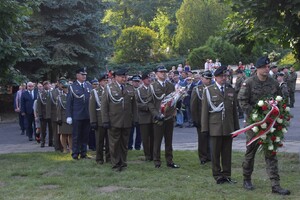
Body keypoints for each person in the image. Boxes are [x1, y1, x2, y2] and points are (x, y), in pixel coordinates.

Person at [238, 56, 290, 195]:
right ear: (259, 68)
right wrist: (255, 115)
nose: (268, 69)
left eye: (269, 67)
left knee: (271, 153)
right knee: (250, 153)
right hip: (254, 125)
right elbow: (242, 101)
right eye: (265, 67)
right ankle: (247, 179)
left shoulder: (273, 82)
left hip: (270, 124)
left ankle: (275, 184)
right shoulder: (248, 83)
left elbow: (279, 100)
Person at [201, 65, 240, 184]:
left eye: (225, 76)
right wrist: (205, 128)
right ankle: (217, 175)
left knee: (227, 153)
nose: (224, 78)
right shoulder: (209, 90)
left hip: (228, 127)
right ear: (215, 77)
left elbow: (234, 111)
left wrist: (236, 128)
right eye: (221, 76)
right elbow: (204, 111)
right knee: (215, 153)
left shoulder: (230, 90)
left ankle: (227, 175)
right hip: (215, 127)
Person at [101, 69, 137, 171]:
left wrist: (135, 118)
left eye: (125, 77)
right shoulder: (109, 88)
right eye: (121, 77)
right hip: (114, 120)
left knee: (124, 143)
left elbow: (134, 105)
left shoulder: (129, 88)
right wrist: (105, 120)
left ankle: (123, 163)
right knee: (114, 144)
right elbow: (104, 105)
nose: (124, 79)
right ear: (115, 77)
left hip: (126, 121)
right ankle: (115, 164)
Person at [148, 65, 180, 168]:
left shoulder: (170, 85)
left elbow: (173, 100)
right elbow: (150, 103)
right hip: (158, 117)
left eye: (165, 72)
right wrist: (156, 114)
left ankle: (169, 161)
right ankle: (157, 161)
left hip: (169, 116)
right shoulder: (152, 86)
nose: (163, 73)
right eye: (161, 72)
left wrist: (175, 109)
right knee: (157, 141)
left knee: (169, 140)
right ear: (156, 73)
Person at [66, 67, 92, 160]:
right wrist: (69, 115)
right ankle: (75, 154)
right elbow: (69, 102)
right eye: (82, 74)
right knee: (76, 136)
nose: (84, 76)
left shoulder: (88, 86)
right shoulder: (72, 86)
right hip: (77, 115)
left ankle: (83, 153)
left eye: (85, 74)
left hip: (87, 115)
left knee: (85, 135)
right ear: (77, 75)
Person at [191, 71, 213, 165]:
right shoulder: (197, 89)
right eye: (206, 78)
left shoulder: (213, 89)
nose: (208, 80)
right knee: (202, 138)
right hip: (200, 118)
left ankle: (210, 155)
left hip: (211, 118)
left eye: (209, 79)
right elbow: (193, 106)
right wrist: (195, 119)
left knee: (211, 138)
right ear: (202, 79)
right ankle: (203, 157)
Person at [89, 74, 110, 165]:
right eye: (105, 81)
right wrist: (93, 121)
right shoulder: (95, 92)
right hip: (99, 120)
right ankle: (99, 158)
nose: (106, 82)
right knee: (99, 141)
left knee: (109, 141)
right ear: (100, 82)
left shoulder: (110, 90)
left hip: (110, 119)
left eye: (107, 81)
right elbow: (92, 108)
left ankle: (109, 158)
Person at [135, 72, 154, 161]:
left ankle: (154, 154)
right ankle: (147, 155)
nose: (149, 80)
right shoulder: (139, 90)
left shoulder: (153, 89)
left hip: (153, 116)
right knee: (145, 138)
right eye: (147, 78)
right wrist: (147, 107)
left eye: (150, 78)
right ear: (143, 80)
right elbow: (137, 104)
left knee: (154, 137)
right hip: (144, 117)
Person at [50, 78, 66, 151]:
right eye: (61, 84)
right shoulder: (52, 92)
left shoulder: (66, 91)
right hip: (55, 115)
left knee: (64, 132)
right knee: (56, 132)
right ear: (58, 84)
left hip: (63, 115)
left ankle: (64, 146)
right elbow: (50, 104)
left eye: (64, 84)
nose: (62, 86)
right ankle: (57, 147)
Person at [57, 81, 72, 153]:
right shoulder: (60, 97)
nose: (66, 89)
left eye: (67, 88)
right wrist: (59, 118)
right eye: (65, 88)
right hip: (63, 118)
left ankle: (71, 148)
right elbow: (58, 109)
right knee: (63, 134)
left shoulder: (72, 96)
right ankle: (65, 149)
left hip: (71, 118)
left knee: (71, 134)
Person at [37, 81, 53, 148]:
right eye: (45, 85)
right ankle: (42, 142)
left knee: (51, 129)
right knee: (43, 130)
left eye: (48, 84)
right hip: (43, 114)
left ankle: (51, 142)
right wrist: (40, 114)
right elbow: (39, 105)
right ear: (44, 86)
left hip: (51, 114)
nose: (47, 86)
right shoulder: (41, 94)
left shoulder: (52, 93)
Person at [128, 75, 142, 150]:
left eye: (138, 82)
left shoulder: (141, 90)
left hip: (140, 114)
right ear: (132, 82)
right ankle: (129, 146)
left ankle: (138, 146)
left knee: (140, 132)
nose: (136, 83)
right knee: (130, 132)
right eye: (135, 82)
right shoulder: (129, 89)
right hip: (131, 114)